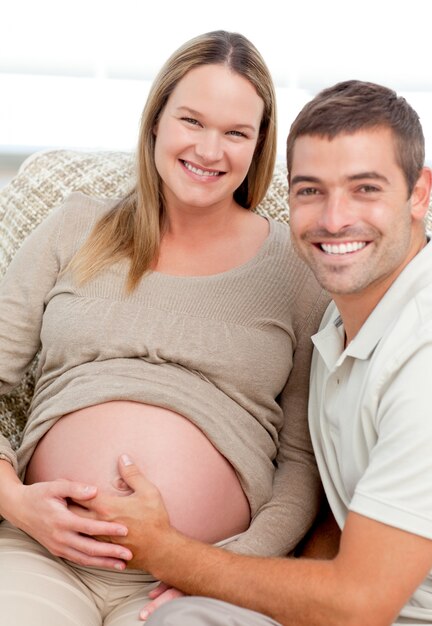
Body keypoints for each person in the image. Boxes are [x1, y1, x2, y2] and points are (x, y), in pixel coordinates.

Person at [84, 80, 432, 626]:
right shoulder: (344, 315)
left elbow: (359, 604)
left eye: (364, 189)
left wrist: (167, 552)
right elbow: (343, 507)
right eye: (310, 191)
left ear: (419, 193)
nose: (333, 219)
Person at [0, 29, 328, 625]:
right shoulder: (75, 224)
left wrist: (224, 569)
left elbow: (302, 462)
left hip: (198, 579)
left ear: (258, 147)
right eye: (192, 121)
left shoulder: (297, 271)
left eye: (235, 133)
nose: (209, 149)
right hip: (43, 557)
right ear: (156, 122)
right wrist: (16, 502)